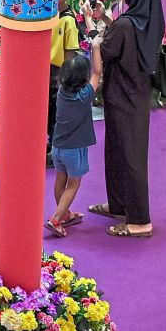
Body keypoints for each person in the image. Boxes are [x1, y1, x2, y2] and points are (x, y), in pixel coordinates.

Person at [90, 0, 164, 238]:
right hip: (136, 97)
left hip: (121, 97)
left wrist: (92, 26)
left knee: (129, 157)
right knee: (120, 151)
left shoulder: (125, 25)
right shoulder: (149, 20)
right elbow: (127, 42)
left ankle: (140, 220)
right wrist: (109, 22)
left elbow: (106, 50)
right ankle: (120, 204)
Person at [46, 42, 102, 237]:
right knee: (73, 183)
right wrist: (96, 46)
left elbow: (94, 73)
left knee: (60, 179)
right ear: (82, 79)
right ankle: (55, 219)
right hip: (74, 148)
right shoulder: (84, 96)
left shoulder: (61, 91)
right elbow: (98, 72)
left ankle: (65, 215)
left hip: (58, 145)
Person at [48, 0, 80, 163]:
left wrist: (64, 80)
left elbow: (70, 53)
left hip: (57, 74)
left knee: (55, 113)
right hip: (41, 71)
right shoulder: (46, 14)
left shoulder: (68, 20)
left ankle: (54, 149)